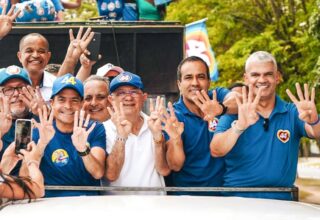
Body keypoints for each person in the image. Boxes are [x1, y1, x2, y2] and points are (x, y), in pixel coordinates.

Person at [210, 51, 320, 200]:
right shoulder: (235, 112)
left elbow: (315, 132)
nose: (262, 80)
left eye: (268, 74)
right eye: (255, 75)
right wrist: (239, 126)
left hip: (282, 201)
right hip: (237, 200)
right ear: (246, 78)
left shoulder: (292, 112)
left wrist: (314, 120)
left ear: (277, 77)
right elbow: (216, 150)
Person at [163, 56, 237, 195]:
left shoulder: (218, 96)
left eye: (201, 77)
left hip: (226, 197)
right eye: (188, 77)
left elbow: (239, 100)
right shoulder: (172, 116)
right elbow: (175, 166)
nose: (195, 83)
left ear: (209, 81)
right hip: (186, 200)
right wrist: (176, 140)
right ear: (179, 84)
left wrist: (220, 108)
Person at [31, 74, 106, 197]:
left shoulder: (93, 128)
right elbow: (25, 175)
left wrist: (83, 150)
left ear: (82, 104)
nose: (68, 106)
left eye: (74, 100)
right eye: (61, 99)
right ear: (52, 103)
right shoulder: (40, 129)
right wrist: (42, 143)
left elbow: (98, 173)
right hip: (48, 203)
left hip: (87, 202)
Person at [104, 71, 170, 194]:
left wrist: (157, 137)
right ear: (110, 99)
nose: (128, 97)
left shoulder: (155, 123)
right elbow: (111, 175)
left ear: (144, 97)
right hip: (118, 208)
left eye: (134, 92)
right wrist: (121, 137)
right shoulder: (103, 130)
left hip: (155, 206)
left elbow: (164, 170)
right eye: (121, 93)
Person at [0, 65, 47, 175]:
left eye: (21, 88)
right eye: (8, 90)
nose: (16, 94)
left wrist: (43, 113)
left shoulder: (43, 119)